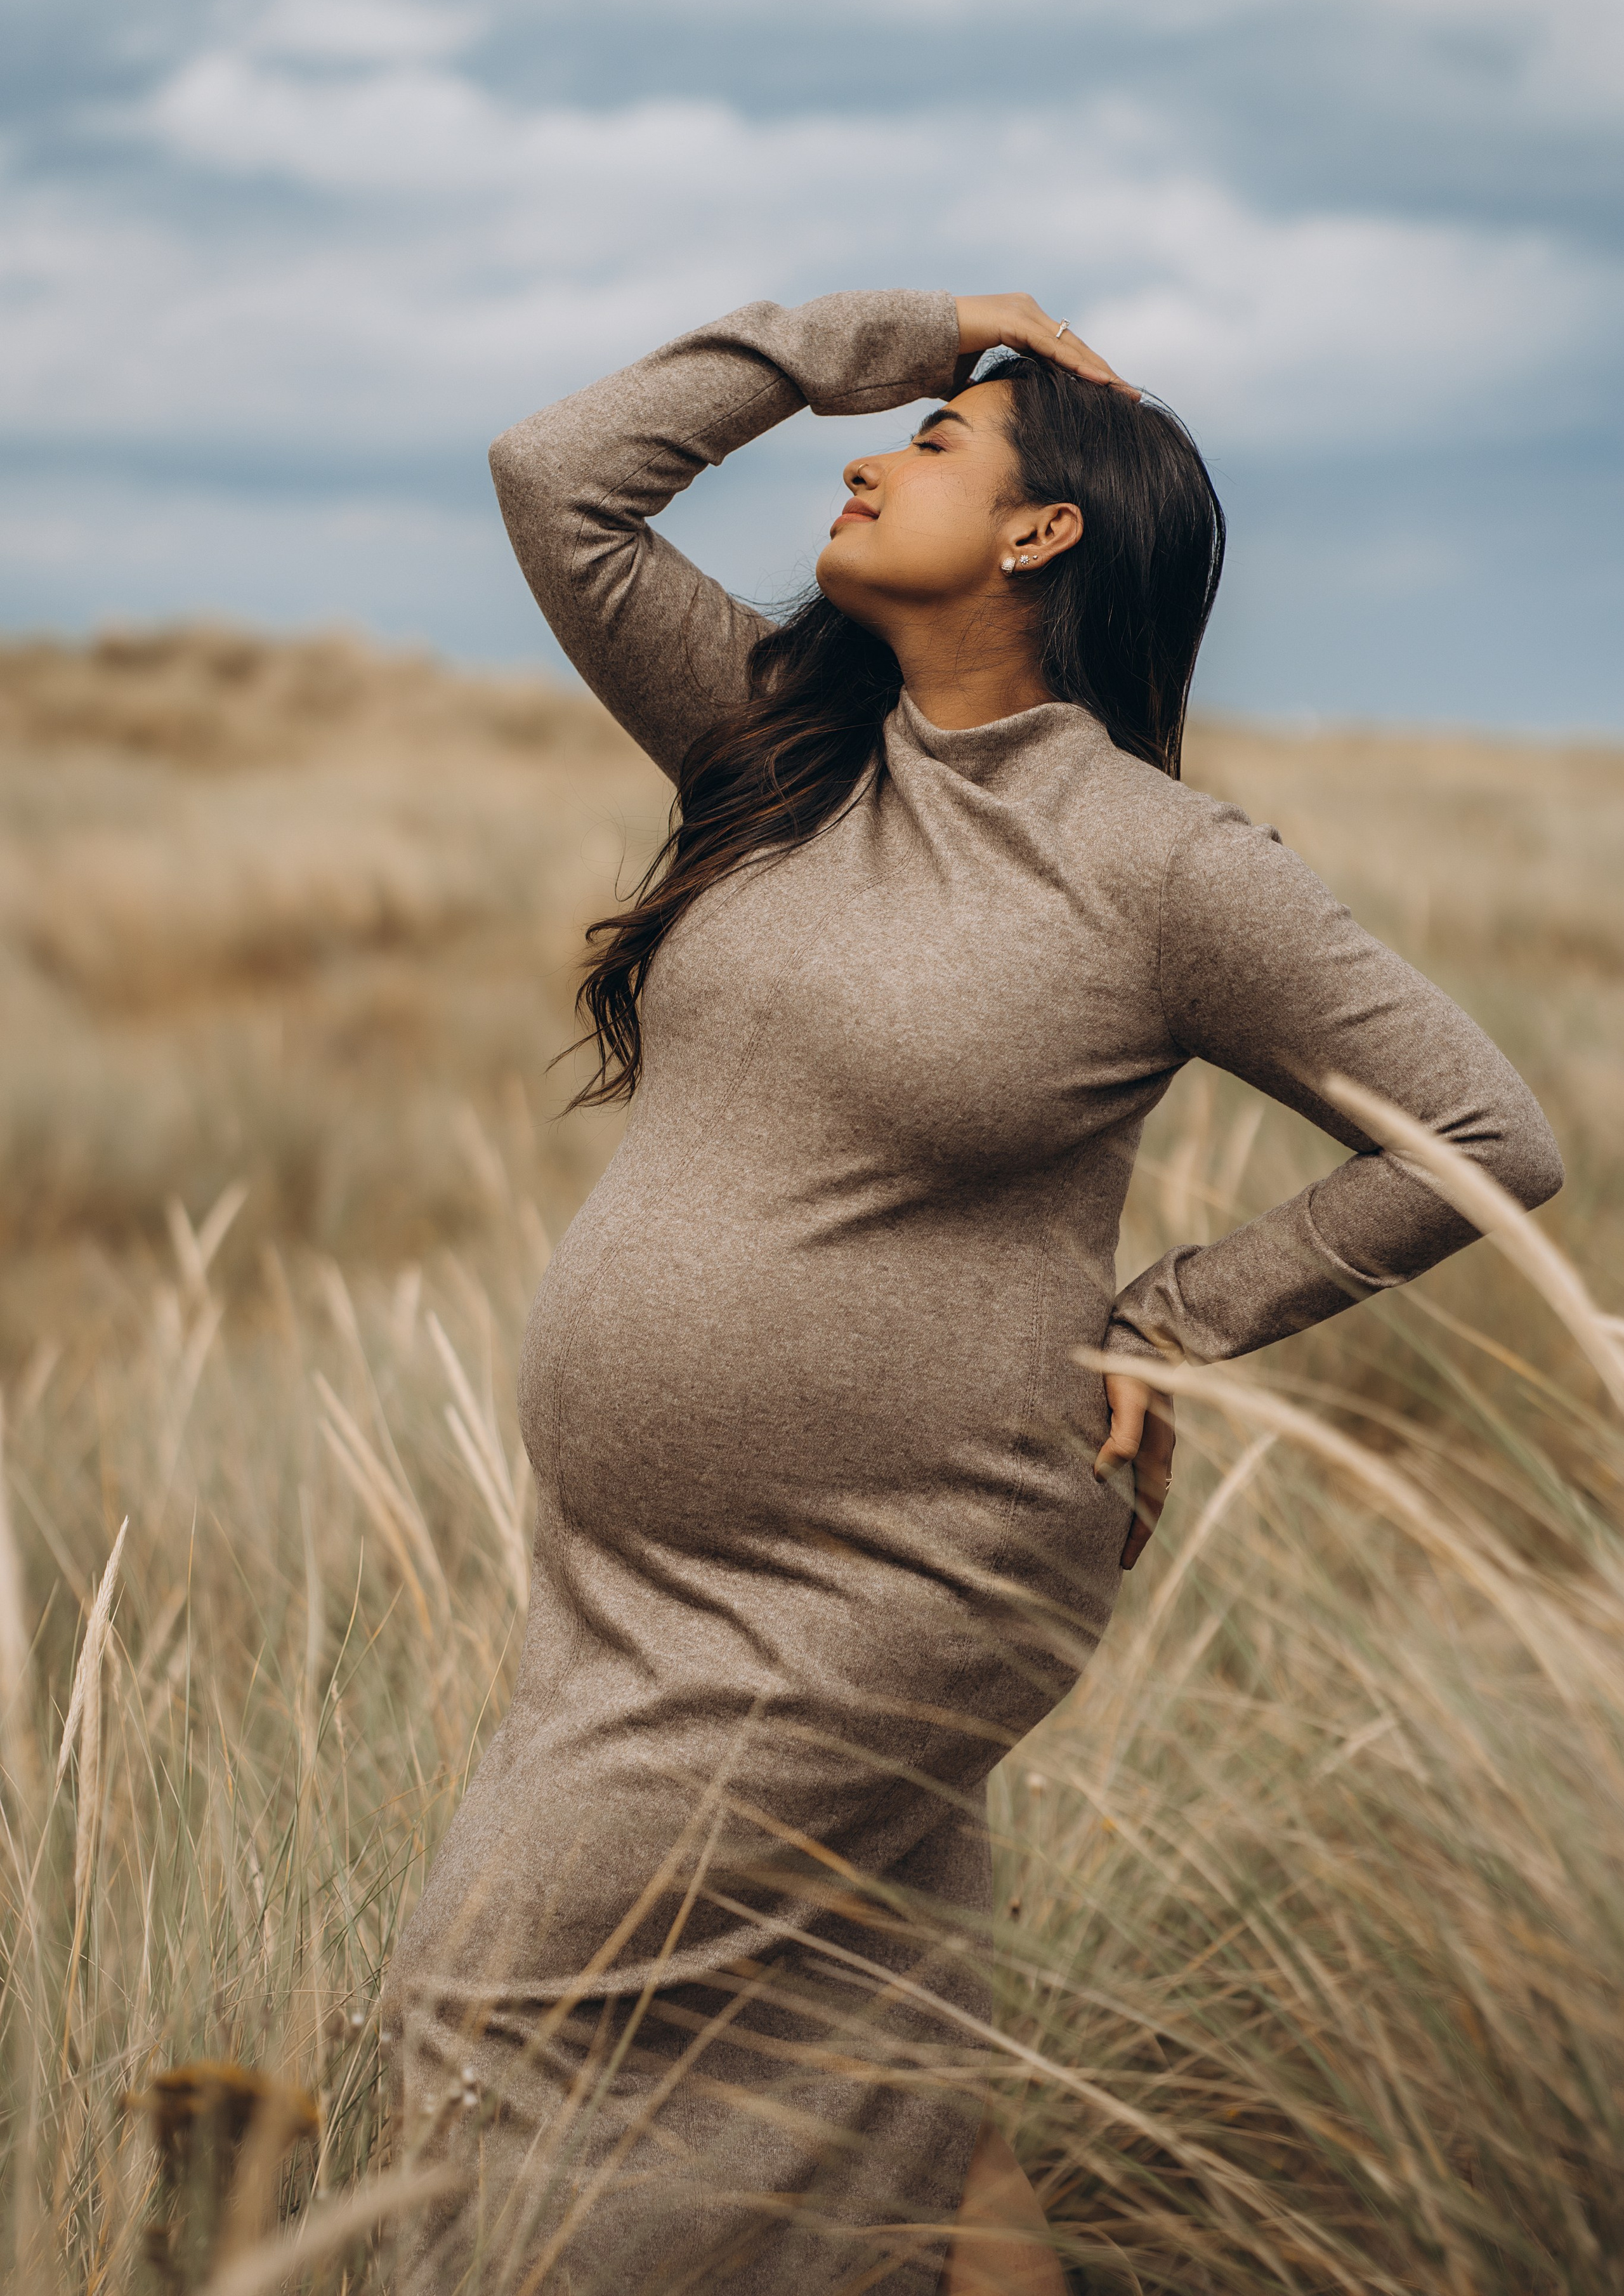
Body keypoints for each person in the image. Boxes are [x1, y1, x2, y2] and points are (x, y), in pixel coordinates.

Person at [387, 290, 1562, 2295]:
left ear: (1042, 539)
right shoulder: (774, 744)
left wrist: (1183, 1320)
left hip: (911, 1559)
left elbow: (1481, 1128)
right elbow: (557, 481)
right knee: (876, 2056)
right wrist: (889, 340)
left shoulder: (1162, 869)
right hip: (630, 1570)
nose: (868, 459)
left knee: (483, 2011)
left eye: (936, 446)